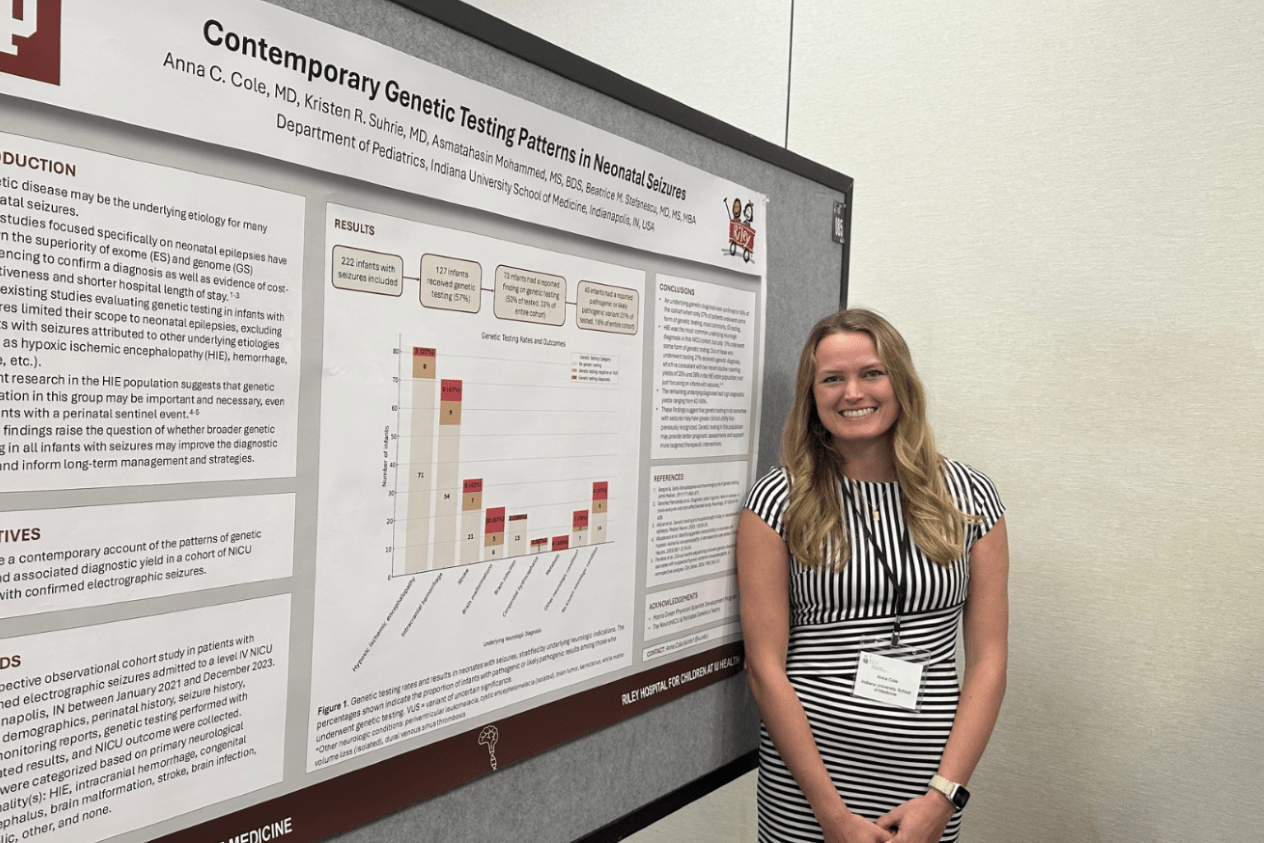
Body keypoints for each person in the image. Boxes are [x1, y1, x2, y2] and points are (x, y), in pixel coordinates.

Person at [737, 309, 1008, 843]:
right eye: (832, 378)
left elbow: (989, 661)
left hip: (926, 791)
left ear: (900, 381)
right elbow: (764, 669)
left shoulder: (971, 498)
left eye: (871, 373)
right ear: (812, 396)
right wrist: (831, 816)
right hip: (810, 796)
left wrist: (943, 798)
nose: (852, 392)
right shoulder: (778, 501)